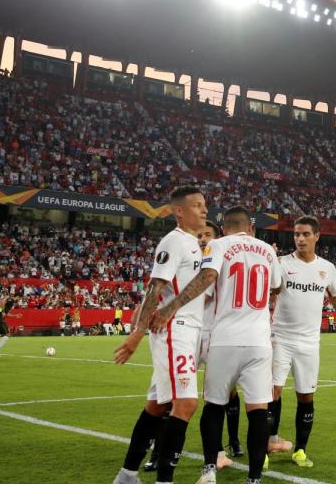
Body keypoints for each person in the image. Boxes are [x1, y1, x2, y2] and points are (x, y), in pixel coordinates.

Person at [149, 206, 281, 484]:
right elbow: (277, 286)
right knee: (258, 410)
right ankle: (254, 478)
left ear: (223, 228)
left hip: (225, 339)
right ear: (251, 228)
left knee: (214, 405)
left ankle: (209, 470)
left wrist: (172, 306)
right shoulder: (268, 251)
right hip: (259, 341)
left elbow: (207, 279)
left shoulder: (217, 245)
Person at [112, 186, 207, 484]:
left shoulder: (194, 244)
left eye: (204, 205)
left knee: (157, 405)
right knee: (186, 404)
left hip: (187, 331)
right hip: (174, 331)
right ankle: (164, 480)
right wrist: (136, 335)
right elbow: (156, 287)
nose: (204, 210)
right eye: (197, 205)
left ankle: (127, 474)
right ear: (179, 211)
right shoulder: (173, 242)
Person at [143, 220, 234, 474]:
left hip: (213, 337)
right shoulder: (191, 262)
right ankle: (158, 453)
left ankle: (219, 453)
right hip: (184, 333)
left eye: (209, 235)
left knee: (216, 398)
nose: (204, 239)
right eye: (201, 235)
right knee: (168, 398)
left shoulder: (220, 266)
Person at [269, 215, 336, 468]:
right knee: (272, 392)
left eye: (305, 234)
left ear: (317, 236)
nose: (300, 239)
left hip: (310, 342)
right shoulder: (282, 263)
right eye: (297, 234)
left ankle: (300, 450)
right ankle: (267, 445)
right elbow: (273, 290)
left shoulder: (328, 268)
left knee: (306, 396)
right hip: (281, 338)